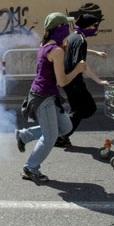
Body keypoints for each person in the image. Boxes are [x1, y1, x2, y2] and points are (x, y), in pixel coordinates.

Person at [15, 12, 87, 183]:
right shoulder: (56, 51)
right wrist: (77, 70)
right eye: (67, 26)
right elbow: (62, 81)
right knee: (50, 138)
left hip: (48, 95)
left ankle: (24, 135)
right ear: (60, 28)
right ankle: (30, 168)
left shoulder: (46, 44)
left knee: (65, 127)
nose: (70, 29)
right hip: (43, 98)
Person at [55, 14, 109, 148]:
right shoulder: (80, 39)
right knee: (89, 108)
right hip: (74, 81)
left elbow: (75, 49)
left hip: (67, 80)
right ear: (87, 26)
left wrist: (96, 53)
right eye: (94, 25)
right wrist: (98, 81)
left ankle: (62, 136)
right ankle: (61, 133)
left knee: (76, 110)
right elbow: (81, 64)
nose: (95, 28)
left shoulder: (74, 36)